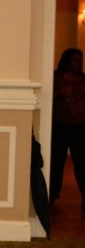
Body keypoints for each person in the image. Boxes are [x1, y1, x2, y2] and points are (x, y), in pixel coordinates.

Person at [50, 47, 85, 209]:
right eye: (74, 59)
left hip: (80, 127)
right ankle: (51, 196)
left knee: (82, 162)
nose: (77, 63)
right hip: (60, 125)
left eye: (79, 60)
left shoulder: (83, 80)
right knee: (57, 161)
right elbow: (48, 98)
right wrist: (60, 92)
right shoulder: (57, 77)